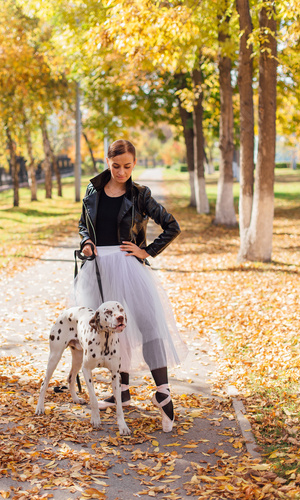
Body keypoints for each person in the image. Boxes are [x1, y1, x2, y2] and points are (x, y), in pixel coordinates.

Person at [75, 139, 186, 432]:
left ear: (134, 164)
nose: (121, 171)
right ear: (107, 163)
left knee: (149, 325)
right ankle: (121, 392)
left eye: (127, 166)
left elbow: (171, 225)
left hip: (128, 267)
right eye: (115, 166)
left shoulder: (140, 195)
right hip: (98, 267)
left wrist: (146, 251)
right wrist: (87, 242)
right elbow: (83, 224)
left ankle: (162, 392)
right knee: (111, 330)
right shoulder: (93, 190)